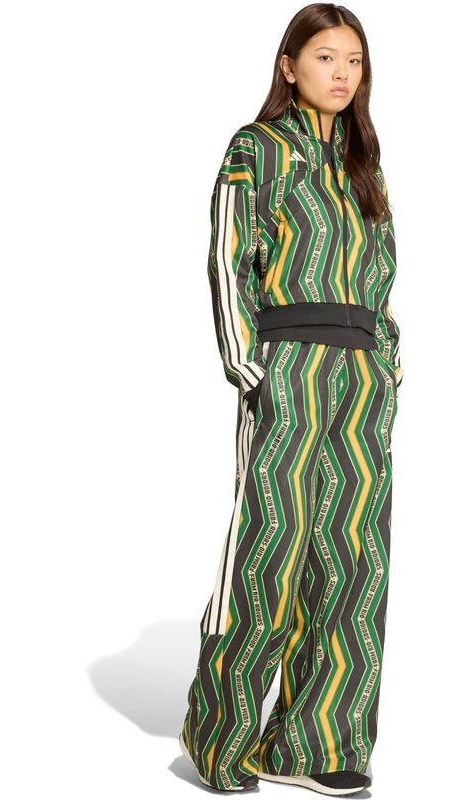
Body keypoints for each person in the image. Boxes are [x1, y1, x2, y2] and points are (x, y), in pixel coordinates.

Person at [179, 3, 403, 795]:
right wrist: (249, 365)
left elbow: (381, 274)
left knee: (354, 562)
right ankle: (223, 740)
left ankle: (316, 745)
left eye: (354, 61)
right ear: (289, 66)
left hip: (361, 379)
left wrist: (390, 362)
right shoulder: (258, 148)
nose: (342, 74)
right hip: (289, 367)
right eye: (326, 57)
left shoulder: (363, 163)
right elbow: (228, 253)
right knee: (268, 551)